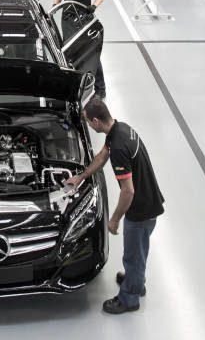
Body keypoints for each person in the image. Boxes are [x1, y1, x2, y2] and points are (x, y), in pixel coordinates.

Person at [66, 97, 165, 315]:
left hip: (141, 209)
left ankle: (130, 298)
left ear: (95, 121)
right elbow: (102, 157)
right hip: (148, 200)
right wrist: (80, 177)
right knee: (137, 252)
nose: (89, 126)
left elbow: (128, 191)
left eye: (88, 122)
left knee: (133, 254)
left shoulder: (119, 146)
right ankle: (134, 280)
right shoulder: (119, 129)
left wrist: (115, 218)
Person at [53, 0, 107, 98]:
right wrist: (55, 5)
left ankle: (100, 90)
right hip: (68, 18)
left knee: (90, 53)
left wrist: (93, 6)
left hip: (84, 19)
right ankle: (76, 84)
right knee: (69, 52)